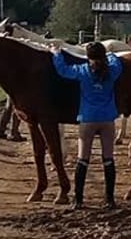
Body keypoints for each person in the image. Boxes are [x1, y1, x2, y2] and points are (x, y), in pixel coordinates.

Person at [52, 42, 124, 210]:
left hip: (88, 119)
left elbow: (63, 70)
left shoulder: (82, 71)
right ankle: (110, 199)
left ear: (88, 57)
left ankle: (78, 199)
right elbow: (117, 62)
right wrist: (111, 54)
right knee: (108, 159)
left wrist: (56, 53)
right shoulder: (112, 71)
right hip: (107, 119)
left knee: (83, 159)